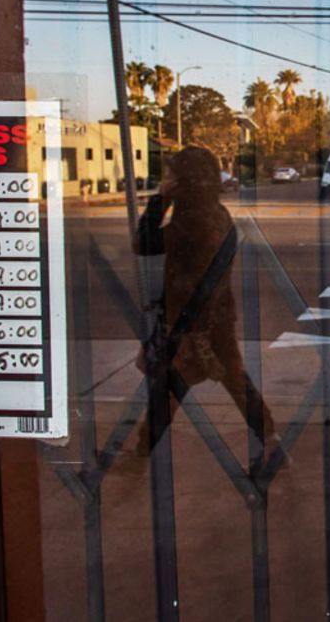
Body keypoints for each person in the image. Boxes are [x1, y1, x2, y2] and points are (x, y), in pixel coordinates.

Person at [131, 146, 281, 468]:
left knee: (174, 390)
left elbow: (142, 243)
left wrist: (161, 199)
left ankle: (140, 455)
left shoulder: (192, 221)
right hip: (213, 322)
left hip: (194, 329)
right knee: (227, 386)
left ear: (186, 180)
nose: (167, 179)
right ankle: (272, 445)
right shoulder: (216, 212)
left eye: (172, 175)